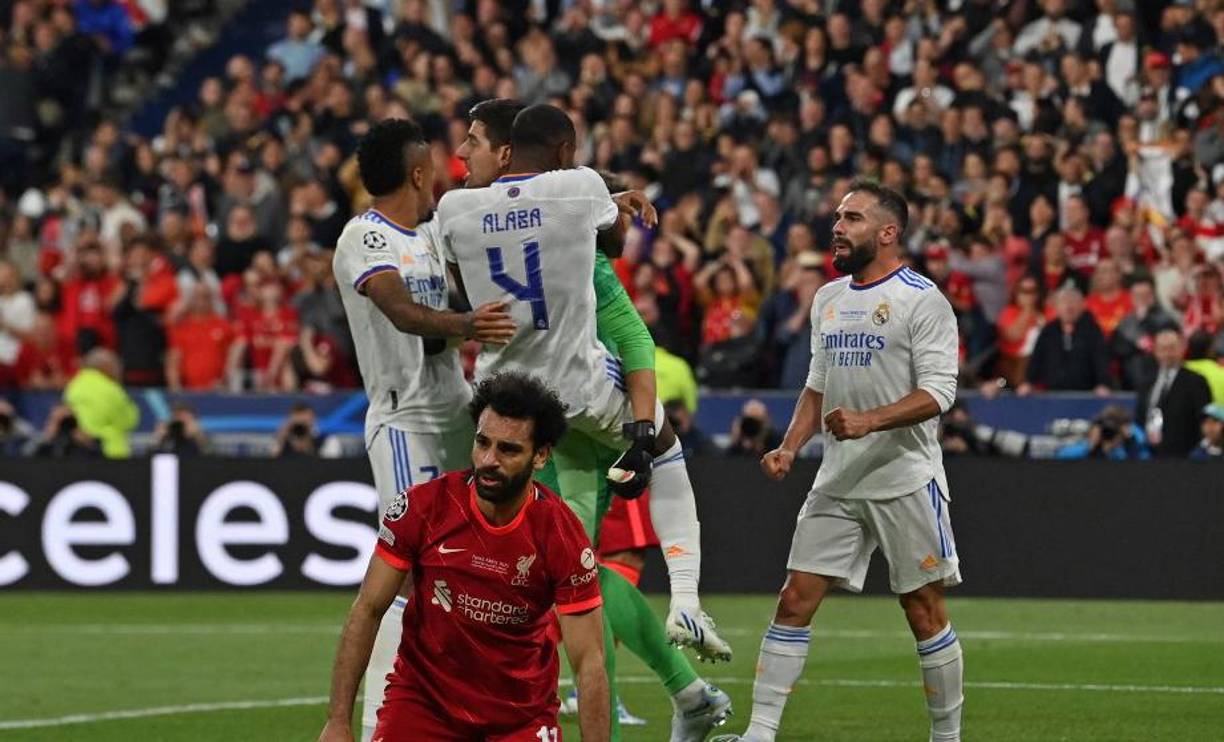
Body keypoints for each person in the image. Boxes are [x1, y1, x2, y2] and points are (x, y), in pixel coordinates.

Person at [438, 103, 731, 740]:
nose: (461, 154)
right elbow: (625, 299)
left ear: (507, 152)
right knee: (573, 570)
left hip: (510, 408)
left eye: (474, 142)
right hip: (583, 403)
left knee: (572, 573)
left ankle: (674, 687)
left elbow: (465, 281)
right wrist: (612, 198)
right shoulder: (579, 197)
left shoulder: (454, 210)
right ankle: (687, 635)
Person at [713, 182, 962, 742]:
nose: (838, 227)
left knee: (923, 611)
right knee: (794, 599)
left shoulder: (922, 299)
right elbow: (817, 386)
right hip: (839, 478)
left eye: (853, 218)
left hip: (904, 477)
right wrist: (789, 446)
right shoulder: (828, 298)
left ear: (888, 232)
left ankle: (947, 738)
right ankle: (760, 733)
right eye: (839, 217)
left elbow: (939, 392)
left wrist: (870, 421)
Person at [329, 117, 516, 742]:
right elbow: (399, 310)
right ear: (416, 173)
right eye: (433, 163)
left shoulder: (434, 232)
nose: (442, 169)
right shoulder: (364, 236)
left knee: (484, 559)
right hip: (404, 423)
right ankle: (379, 724)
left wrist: (607, 194)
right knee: (408, 570)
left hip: (458, 415)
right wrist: (467, 324)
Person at [317, 373, 610, 742]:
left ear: (540, 456)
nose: (488, 460)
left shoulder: (562, 534)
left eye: (508, 450)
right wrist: (338, 720)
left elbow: (589, 661)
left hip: (520, 718)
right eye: (482, 442)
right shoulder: (423, 507)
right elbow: (368, 609)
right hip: (423, 705)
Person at [1019, 286, 1113, 395]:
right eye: (1064, 302)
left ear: (1082, 305)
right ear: (1056, 307)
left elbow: (1101, 360)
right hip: (1052, 394)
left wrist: (1103, 383)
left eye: (1073, 301)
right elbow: (1036, 359)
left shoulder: (1092, 331)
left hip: (1085, 394)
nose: (1069, 306)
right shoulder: (1048, 331)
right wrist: (1028, 382)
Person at [1135, 328, 1212, 458]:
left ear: (1181, 349)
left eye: (1172, 348)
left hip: (1183, 457)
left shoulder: (1195, 381)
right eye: (1163, 349)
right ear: (1155, 351)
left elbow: (1204, 419)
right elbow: (1140, 415)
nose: (1167, 354)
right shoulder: (1147, 381)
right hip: (1150, 455)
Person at [63, 347, 138, 458]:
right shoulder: (111, 389)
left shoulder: (73, 386)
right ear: (105, 366)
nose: (119, 370)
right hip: (110, 451)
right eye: (116, 365)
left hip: (79, 450)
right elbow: (128, 421)